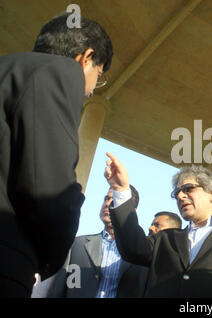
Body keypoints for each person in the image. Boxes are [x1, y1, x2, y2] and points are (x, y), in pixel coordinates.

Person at [0, 12, 113, 297]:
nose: (89, 92)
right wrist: (47, 258)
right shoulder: (59, 72)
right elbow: (48, 188)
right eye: (97, 77)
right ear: (85, 58)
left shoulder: (8, 68)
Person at [104, 152, 212, 297]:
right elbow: (131, 248)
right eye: (177, 192)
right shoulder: (164, 240)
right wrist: (120, 190)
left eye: (188, 189)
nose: (180, 196)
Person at [43, 186, 148, 298]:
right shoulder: (77, 245)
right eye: (106, 198)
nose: (107, 203)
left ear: (132, 211)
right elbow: (59, 289)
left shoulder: (143, 254)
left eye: (115, 200)